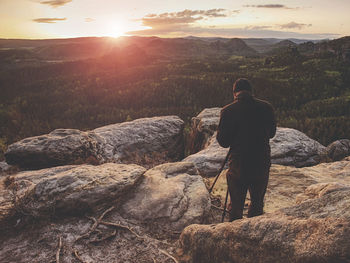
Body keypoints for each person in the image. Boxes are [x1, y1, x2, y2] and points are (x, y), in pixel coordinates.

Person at [216, 78, 276, 221]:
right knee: (257, 203)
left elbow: (223, 142)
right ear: (251, 92)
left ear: (235, 93)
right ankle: (254, 232)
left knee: (236, 205)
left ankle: (235, 234)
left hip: (239, 164)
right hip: (261, 162)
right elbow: (272, 133)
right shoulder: (267, 107)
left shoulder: (227, 111)